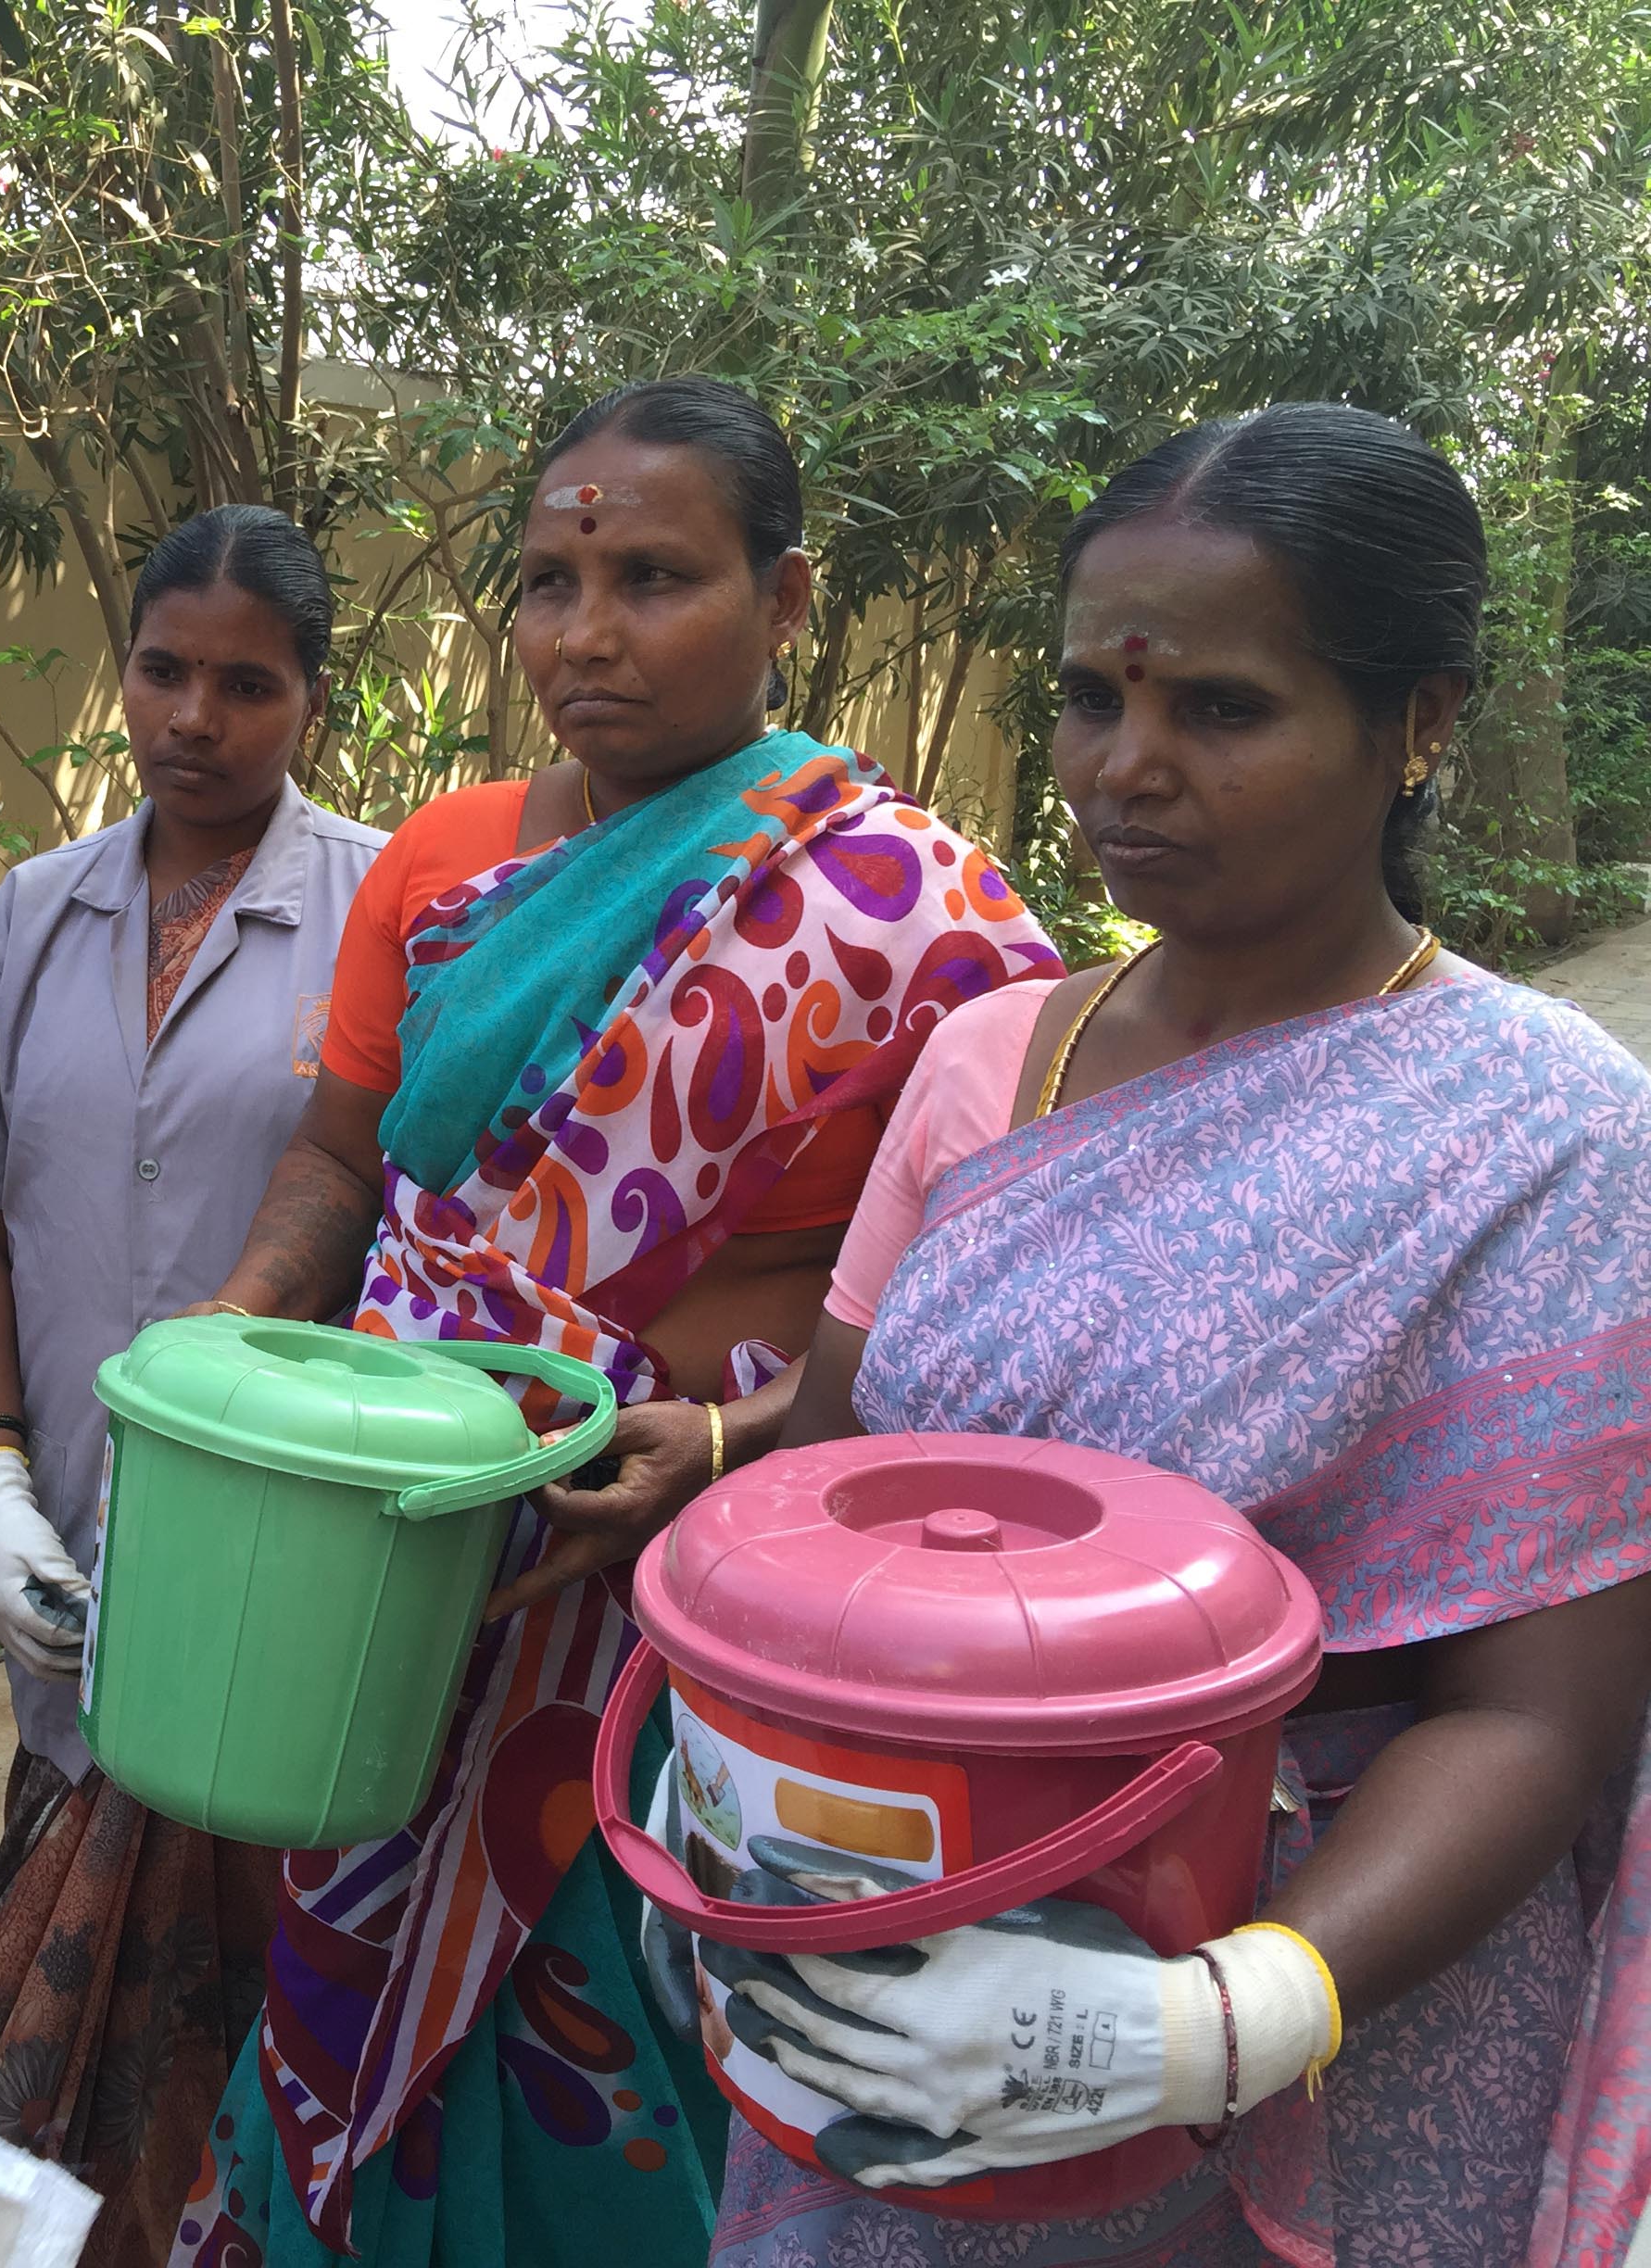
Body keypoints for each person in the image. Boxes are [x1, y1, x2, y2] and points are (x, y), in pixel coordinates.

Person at [709, 404, 1651, 2266]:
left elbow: (1541, 1717)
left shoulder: (1551, 1131)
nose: (1123, 768)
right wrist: (704, 1473)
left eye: (1220, 710)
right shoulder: (1000, 1055)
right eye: (1088, 701)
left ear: (1424, 724)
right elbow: (835, 1461)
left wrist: (1206, 2025)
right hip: (911, 1961)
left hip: (1338, 2019)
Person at [166, 377, 1062, 2267]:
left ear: (787, 599)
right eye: (547, 580)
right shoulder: (445, 867)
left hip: (691, 1586)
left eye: (653, 576)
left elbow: (976, 1312)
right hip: (409, 1553)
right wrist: (231, 1347)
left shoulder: (914, 912)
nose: (584, 635)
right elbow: (347, 1172)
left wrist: (724, 1449)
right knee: (345, 1957)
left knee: (626, 2030)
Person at [0, 505, 386, 2262]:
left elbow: (388, 1218)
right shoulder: (35, 915)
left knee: (256, 1997)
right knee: (69, 1996)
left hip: (280, 1565)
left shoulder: (385, 913)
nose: (194, 717)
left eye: (246, 684)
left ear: (311, 702)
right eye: (164, 669)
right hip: (66, 1528)